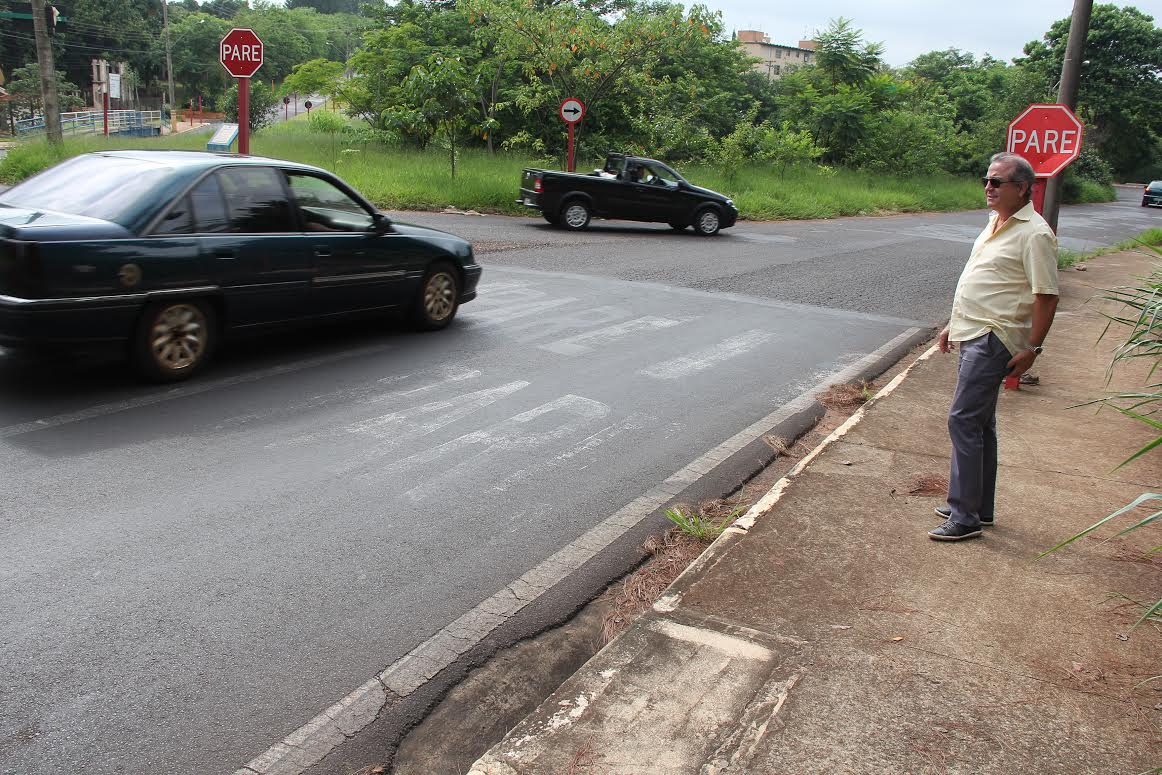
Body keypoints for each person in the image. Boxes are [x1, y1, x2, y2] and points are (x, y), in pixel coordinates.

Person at [930, 152, 1060, 542]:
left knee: (963, 420)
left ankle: (964, 516)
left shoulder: (1034, 234)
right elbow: (982, 281)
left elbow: (1047, 296)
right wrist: (954, 324)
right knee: (981, 423)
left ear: (1022, 188)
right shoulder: (995, 223)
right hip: (974, 331)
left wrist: (1033, 348)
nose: (988, 187)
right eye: (986, 180)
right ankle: (978, 506)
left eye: (997, 182)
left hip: (995, 338)